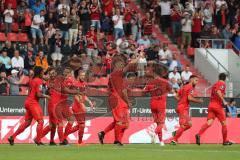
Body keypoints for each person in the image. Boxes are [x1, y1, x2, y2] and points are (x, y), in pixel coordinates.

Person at [8, 66, 50, 145]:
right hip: (33, 102)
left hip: (27, 101)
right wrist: (47, 96)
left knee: (27, 122)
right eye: (42, 73)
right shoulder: (39, 80)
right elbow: (38, 94)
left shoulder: (32, 79)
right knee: (40, 121)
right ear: (40, 73)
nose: (43, 74)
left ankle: (12, 137)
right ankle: (38, 140)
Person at [98, 54, 132, 146]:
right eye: (121, 65)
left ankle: (103, 133)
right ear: (116, 65)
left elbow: (110, 88)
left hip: (119, 99)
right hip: (117, 99)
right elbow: (129, 67)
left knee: (125, 123)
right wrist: (137, 57)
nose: (122, 66)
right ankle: (117, 141)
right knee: (120, 121)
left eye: (122, 65)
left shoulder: (119, 78)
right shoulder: (116, 74)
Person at [195, 73, 233, 145]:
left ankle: (199, 134)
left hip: (211, 105)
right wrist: (224, 101)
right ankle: (225, 141)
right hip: (217, 106)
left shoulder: (215, 84)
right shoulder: (222, 84)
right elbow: (218, 91)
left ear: (219, 77)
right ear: (225, 78)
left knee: (209, 123)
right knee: (224, 124)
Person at [63, 70, 95, 144]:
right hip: (77, 107)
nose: (83, 77)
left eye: (84, 75)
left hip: (80, 106)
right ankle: (79, 142)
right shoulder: (76, 84)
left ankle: (65, 136)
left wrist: (89, 102)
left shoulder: (84, 84)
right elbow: (76, 95)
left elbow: (83, 95)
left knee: (80, 125)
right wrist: (81, 104)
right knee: (82, 125)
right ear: (79, 76)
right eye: (81, 75)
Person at [170, 75, 203, 145]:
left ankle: (176, 133)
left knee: (189, 124)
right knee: (184, 125)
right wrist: (199, 101)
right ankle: (174, 140)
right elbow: (189, 98)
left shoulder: (184, 87)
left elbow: (176, 96)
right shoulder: (190, 87)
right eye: (196, 80)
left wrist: (180, 102)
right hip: (183, 108)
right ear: (191, 80)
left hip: (180, 107)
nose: (197, 82)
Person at [143, 67, 171, 146]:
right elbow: (169, 90)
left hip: (152, 104)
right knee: (161, 123)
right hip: (161, 104)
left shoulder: (150, 82)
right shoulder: (165, 82)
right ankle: (154, 133)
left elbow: (144, 91)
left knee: (158, 124)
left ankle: (161, 141)